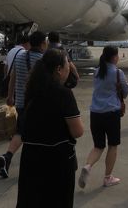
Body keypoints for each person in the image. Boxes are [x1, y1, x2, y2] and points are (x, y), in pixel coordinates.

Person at [16, 48, 84, 207]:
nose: (69, 68)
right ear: (59, 69)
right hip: (57, 160)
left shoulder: (31, 90)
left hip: (31, 157)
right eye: (67, 64)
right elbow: (77, 131)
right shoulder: (64, 94)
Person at [0, 31, 47, 178]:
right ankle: (34, 165)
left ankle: (7, 157)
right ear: (43, 43)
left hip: (21, 103)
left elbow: (12, 77)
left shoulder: (19, 57)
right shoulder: (43, 60)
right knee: (38, 135)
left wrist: (10, 96)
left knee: (21, 132)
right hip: (38, 104)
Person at [79, 46, 128, 189]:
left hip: (95, 112)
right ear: (114, 57)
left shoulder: (96, 72)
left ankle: (88, 166)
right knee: (112, 145)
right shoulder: (118, 73)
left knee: (98, 146)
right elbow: (125, 93)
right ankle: (108, 178)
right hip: (111, 113)